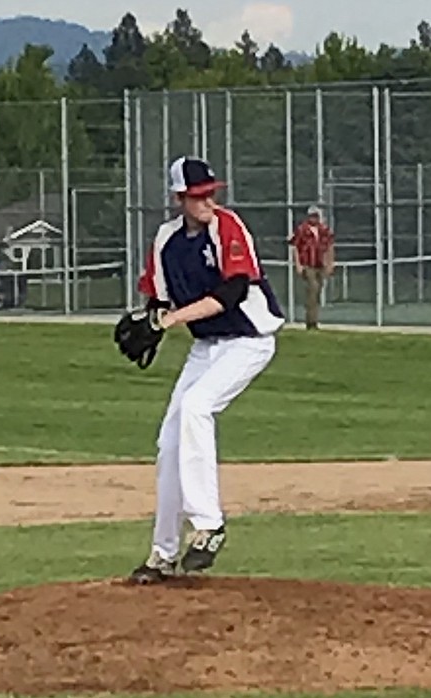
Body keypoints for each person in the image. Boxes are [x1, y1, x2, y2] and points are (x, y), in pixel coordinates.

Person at [129, 156, 285, 585]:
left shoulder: (227, 226)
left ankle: (208, 525)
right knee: (169, 441)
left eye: (211, 192)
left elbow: (233, 291)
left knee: (197, 407)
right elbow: (158, 300)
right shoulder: (166, 240)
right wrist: (152, 324)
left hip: (249, 340)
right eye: (197, 196)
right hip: (206, 346)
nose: (207, 201)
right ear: (179, 198)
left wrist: (169, 321)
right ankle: (162, 554)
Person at [288, 205, 335, 329]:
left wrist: (330, 263)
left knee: (317, 292)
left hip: (320, 265)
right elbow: (295, 247)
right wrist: (298, 265)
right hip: (308, 265)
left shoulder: (324, 230)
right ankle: (311, 322)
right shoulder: (302, 229)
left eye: (316, 216)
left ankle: (314, 318)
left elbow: (329, 247)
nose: (314, 218)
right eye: (312, 216)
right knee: (312, 289)